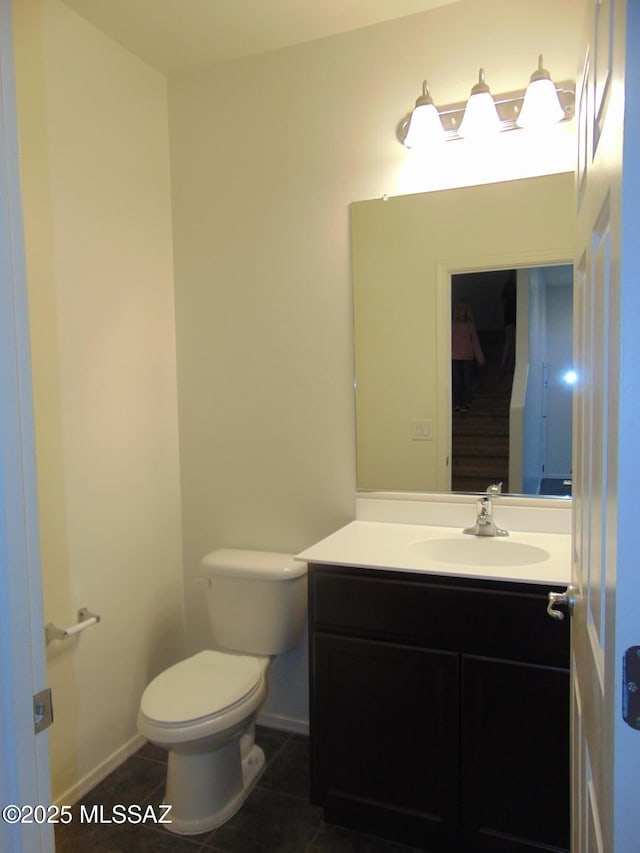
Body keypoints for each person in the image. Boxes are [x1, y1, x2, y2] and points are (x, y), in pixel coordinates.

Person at [451, 300, 484, 412]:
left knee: (467, 381)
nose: (460, 311)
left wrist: (479, 357)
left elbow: (475, 341)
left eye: (462, 309)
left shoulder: (470, 324)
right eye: (458, 309)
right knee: (456, 381)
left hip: (467, 357)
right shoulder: (452, 324)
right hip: (454, 357)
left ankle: (466, 402)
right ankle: (457, 402)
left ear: (466, 311)